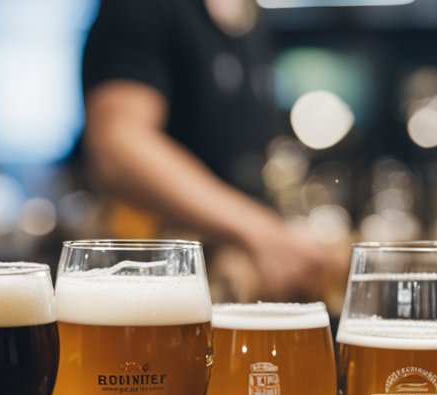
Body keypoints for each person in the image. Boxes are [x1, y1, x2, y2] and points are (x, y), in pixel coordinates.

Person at [81, 0, 338, 300]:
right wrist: (259, 231)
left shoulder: (250, 18)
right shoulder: (144, 7)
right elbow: (120, 147)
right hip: (154, 283)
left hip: (226, 283)